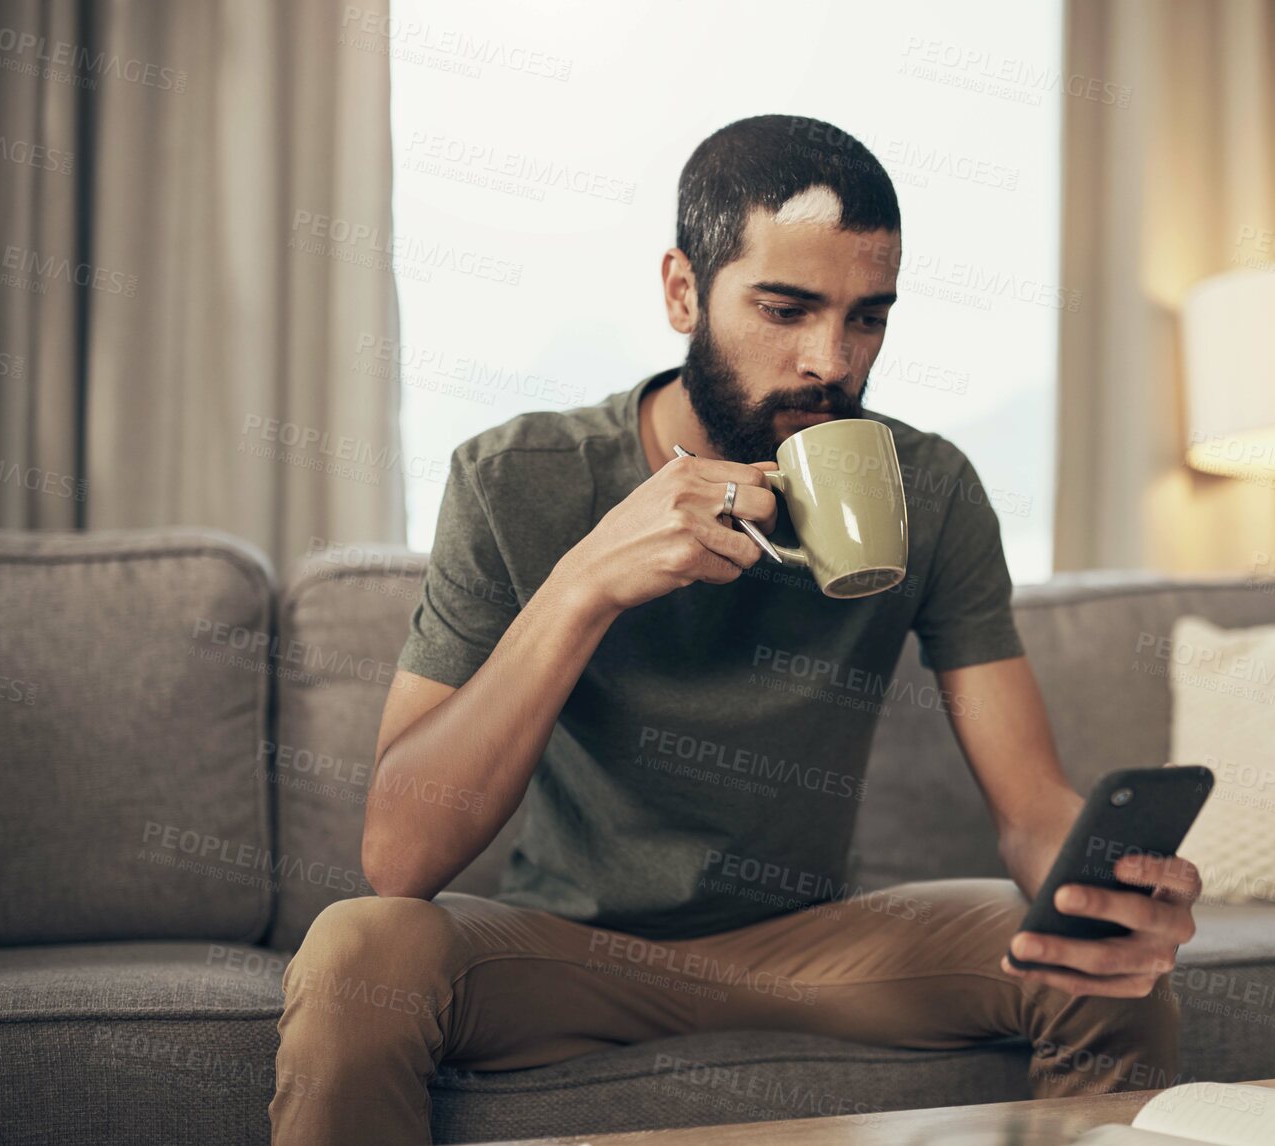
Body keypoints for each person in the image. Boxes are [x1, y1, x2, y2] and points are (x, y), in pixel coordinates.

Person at [269, 113, 1199, 1145]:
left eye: (866, 319)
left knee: (1101, 977)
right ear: (681, 291)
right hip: (564, 952)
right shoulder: (512, 479)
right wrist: (584, 585)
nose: (828, 362)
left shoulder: (926, 490)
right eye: (785, 308)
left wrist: (1103, 897)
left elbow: (1029, 809)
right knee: (360, 951)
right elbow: (397, 855)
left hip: (817, 949)